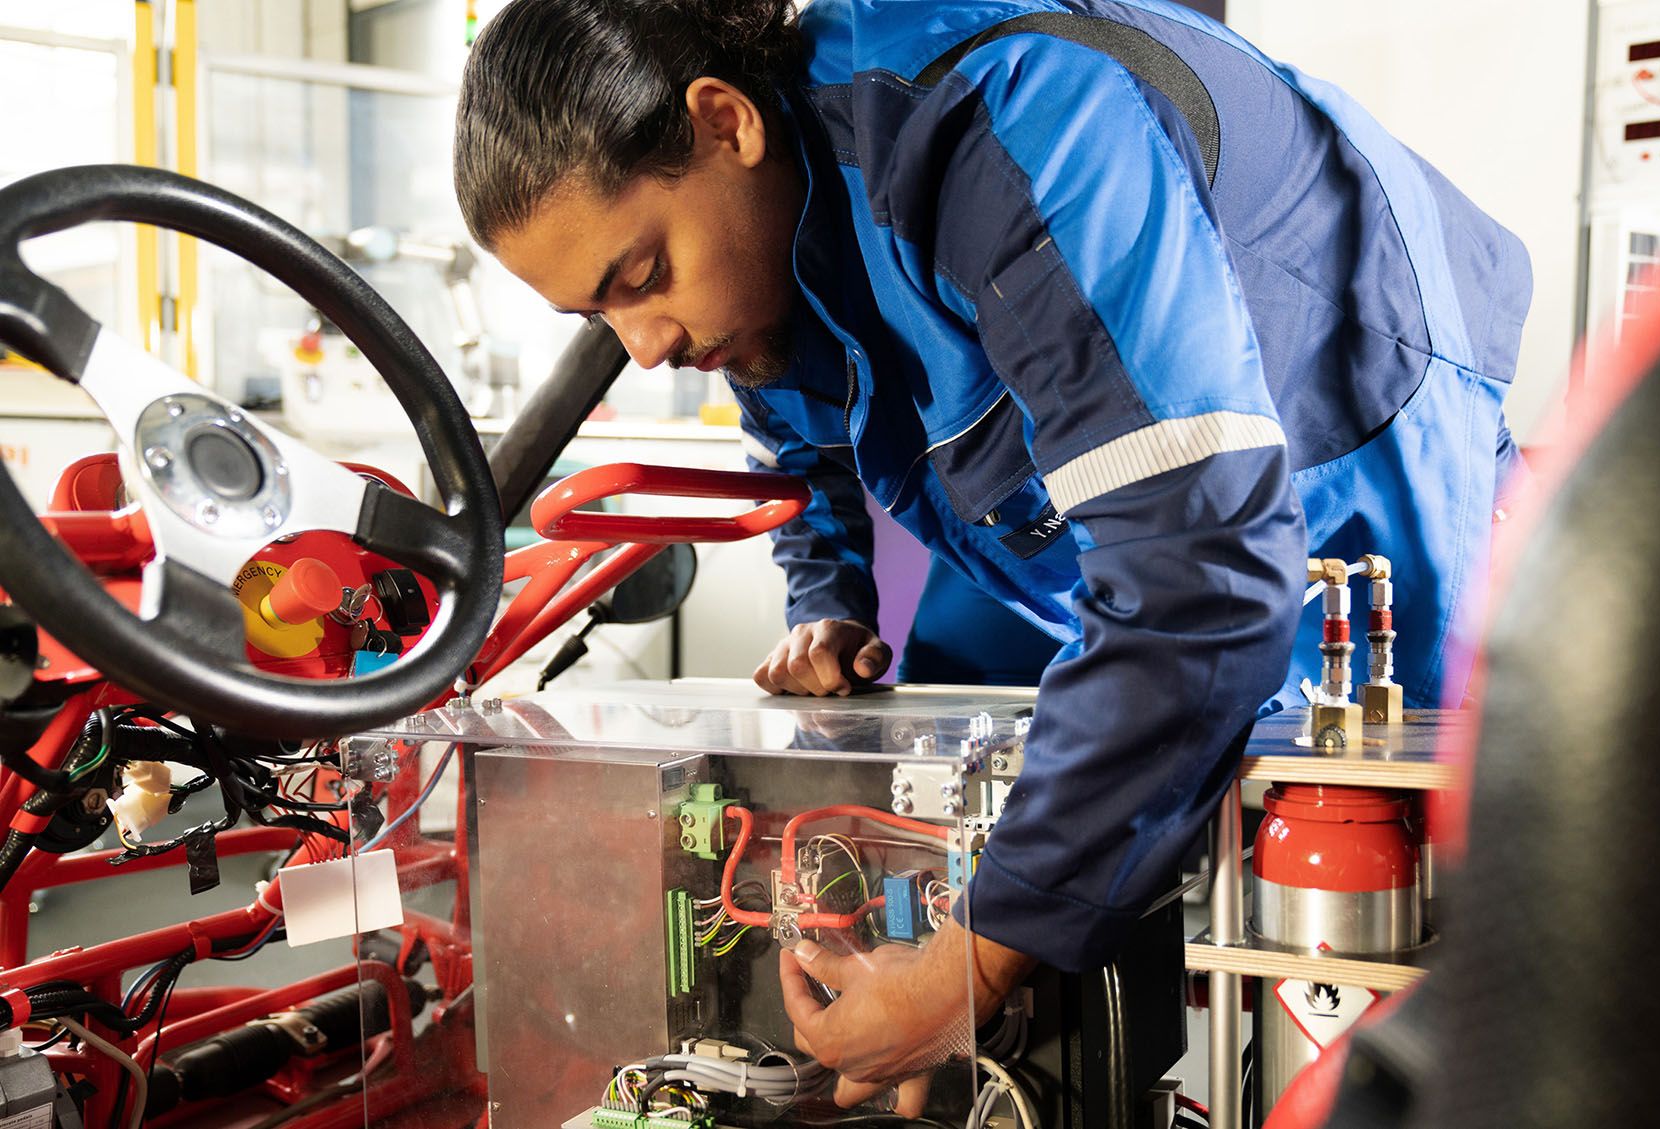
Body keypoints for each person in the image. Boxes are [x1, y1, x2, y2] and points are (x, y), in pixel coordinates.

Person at [452, 0, 1531, 1113]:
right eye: (599, 316)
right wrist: (833, 600)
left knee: (1372, 876)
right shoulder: (753, 255)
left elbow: (1204, 570)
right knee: (1075, 781)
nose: (648, 347)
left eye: (640, 276)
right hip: (1091, 519)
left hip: (1347, 416)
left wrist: (971, 965)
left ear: (725, 123)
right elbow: (802, 419)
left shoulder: (1001, 114)